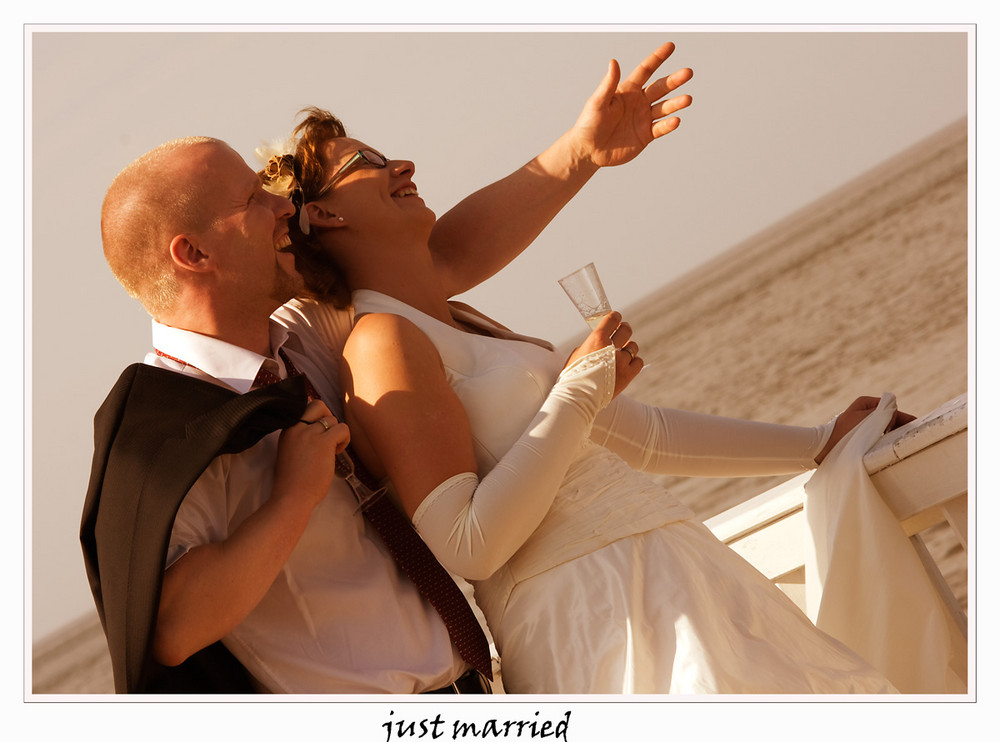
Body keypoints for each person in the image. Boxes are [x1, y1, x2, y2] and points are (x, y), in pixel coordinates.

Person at [268, 66, 915, 694]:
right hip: (597, 626)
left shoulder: (457, 320)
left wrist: (818, 441)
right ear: (323, 215)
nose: (401, 165)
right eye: (368, 162)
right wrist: (577, 391)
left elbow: (647, 438)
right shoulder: (380, 344)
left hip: (683, 583)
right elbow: (468, 546)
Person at [83, 43, 695, 694]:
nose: (282, 206)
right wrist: (294, 496)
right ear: (193, 252)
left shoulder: (304, 339)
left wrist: (579, 152)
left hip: (478, 696)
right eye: (252, 201)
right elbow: (171, 626)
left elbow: (439, 262)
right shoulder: (156, 436)